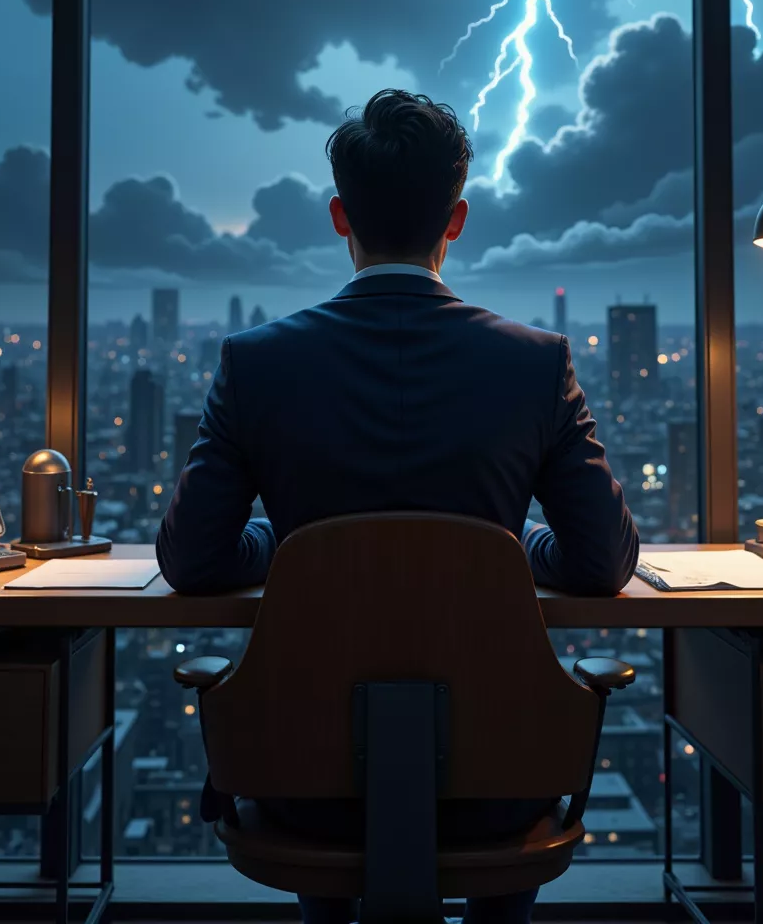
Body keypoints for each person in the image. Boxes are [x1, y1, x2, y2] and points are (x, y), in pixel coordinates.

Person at [157, 89, 639, 924]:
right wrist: (515, 544)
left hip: (301, 779)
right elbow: (602, 562)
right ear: (456, 220)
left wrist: (287, 541)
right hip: (501, 778)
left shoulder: (256, 365)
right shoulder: (535, 364)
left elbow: (192, 560)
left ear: (340, 216)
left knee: (323, 803)